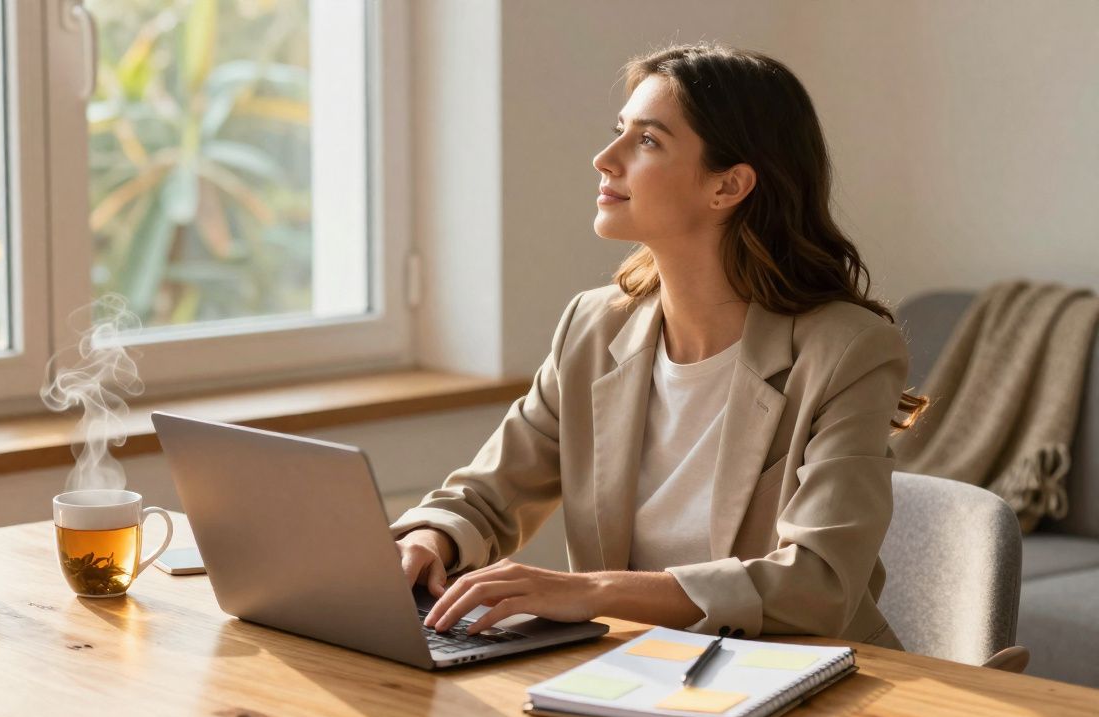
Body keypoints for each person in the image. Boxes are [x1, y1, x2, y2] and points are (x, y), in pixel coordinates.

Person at [390, 42, 929, 650]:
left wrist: (593, 591)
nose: (604, 158)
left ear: (729, 185)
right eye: (618, 132)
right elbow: (489, 494)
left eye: (646, 140)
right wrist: (430, 538)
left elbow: (818, 583)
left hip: (795, 672)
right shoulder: (592, 327)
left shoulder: (849, 351)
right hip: (632, 669)